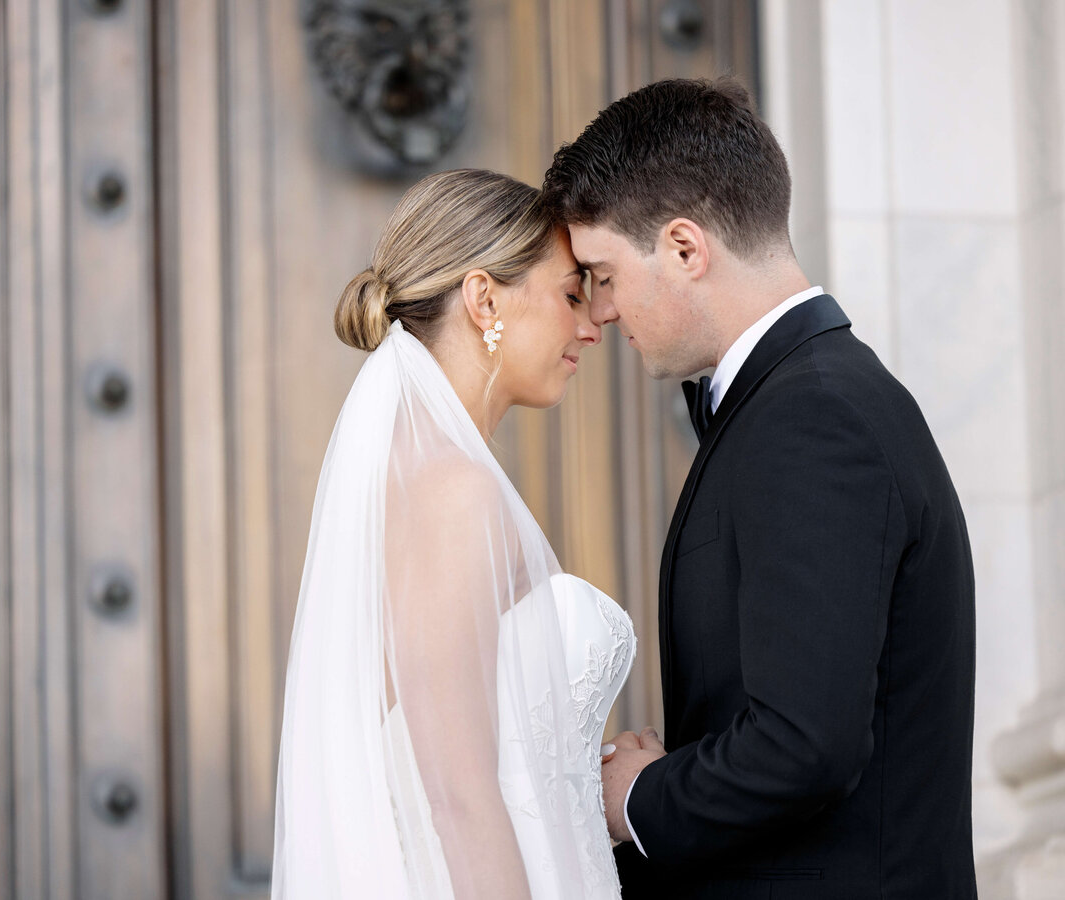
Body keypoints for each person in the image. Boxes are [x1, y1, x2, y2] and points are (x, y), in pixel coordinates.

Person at [542, 78, 977, 898]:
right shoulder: (803, 400)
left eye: (602, 273)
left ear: (683, 248)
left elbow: (803, 744)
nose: (597, 314)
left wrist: (633, 797)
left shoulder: (813, 417)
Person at [271, 168, 636, 899]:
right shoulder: (452, 494)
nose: (592, 327)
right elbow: (459, 796)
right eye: (570, 294)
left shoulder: (433, 479)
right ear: (483, 298)